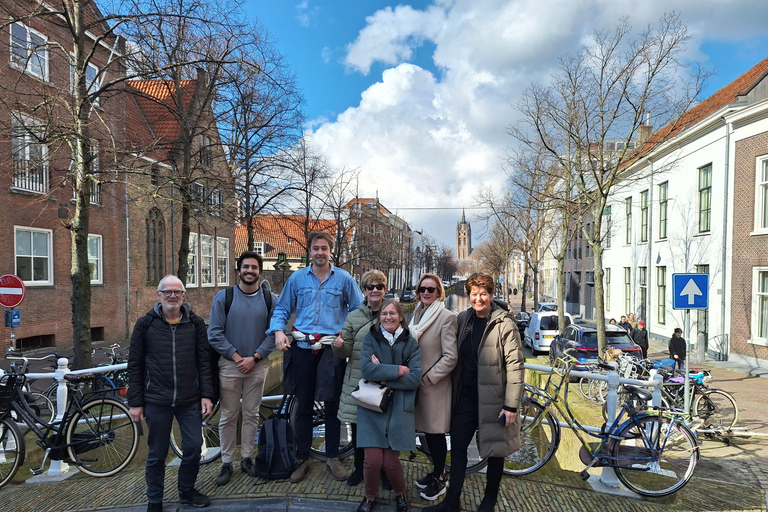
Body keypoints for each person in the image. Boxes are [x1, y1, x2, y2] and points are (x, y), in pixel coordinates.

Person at [269, 231, 364, 483]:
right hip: (302, 349)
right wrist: (279, 331)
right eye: (315, 248)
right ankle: (302, 457)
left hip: (332, 350)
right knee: (304, 405)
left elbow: (359, 310)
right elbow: (282, 308)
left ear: (330, 251)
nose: (320, 252)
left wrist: (347, 333)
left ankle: (332, 456)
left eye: (324, 248)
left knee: (332, 405)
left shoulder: (343, 279)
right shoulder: (298, 279)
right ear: (309, 251)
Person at [426, 273, 524, 512]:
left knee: (495, 451)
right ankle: (452, 501)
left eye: (483, 293)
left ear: (491, 295)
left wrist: (511, 405)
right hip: (466, 397)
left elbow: (515, 366)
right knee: (458, 447)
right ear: (468, 295)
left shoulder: (504, 325)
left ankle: (488, 502)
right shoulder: (464, 319)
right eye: (474, 293)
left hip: (495, 400)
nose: (478, 298)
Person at [128, 275, 214, 511]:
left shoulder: (195, 324)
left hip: (189, 399)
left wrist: (207, 395)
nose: (172, 296)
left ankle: (186, 490)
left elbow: (203, 361)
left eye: (177, 292)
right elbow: (135, 364)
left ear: (184, 295)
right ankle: (154, 499)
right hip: (157, 399)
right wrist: (136, 402)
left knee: (194, 447)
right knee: (156, 453)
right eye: (167, 292)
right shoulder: (145, 324)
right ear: (159, 295)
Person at [208, 251, 277, 486]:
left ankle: (247, 457)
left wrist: (255, 358)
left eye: (254, 267)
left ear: (260, 271)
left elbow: (275, 333)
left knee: (252, 413)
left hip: (257, 366)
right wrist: (238, 357)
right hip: (230, 365)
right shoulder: (224, 297)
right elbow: (214, 334)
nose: (250, 271)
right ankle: (227, 461)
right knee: (228, 415)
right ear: (239, 270)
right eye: (245, 267)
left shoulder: (270, 299)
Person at [356, 299, 421, 512]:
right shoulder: (370, 339)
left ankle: (400, 495)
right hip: (372, 407)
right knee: (372, 461)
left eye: (392, 313)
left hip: (399, 408)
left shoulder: (410, 343)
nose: (388, 317)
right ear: (379, 317)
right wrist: (399, 370)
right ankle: (369, 497)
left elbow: (415, 378)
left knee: (391, 462)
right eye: (384, 313)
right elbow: (366, 370)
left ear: (401, 317)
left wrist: (383, 375)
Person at [333, 270, 388, 486]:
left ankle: (383, 471)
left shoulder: (391, 313)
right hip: (358, 381)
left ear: (385, 290)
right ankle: (359, 469)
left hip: (384, 382)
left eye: (379, 287)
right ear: (363, 291)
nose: (374, 290)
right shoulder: (354, 317)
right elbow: (345, 350)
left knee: (381, 429)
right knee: (357, 428)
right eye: (370, 287)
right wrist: (337, 346)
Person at [410, 274, 458, 501]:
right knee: (426, 434)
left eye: (431, 289)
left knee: (436, 435)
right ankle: (436, 472)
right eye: (422, 289)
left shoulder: (446, 317)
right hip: (417, 385)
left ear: (439, 292)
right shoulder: (417, 314)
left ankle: (440, 478)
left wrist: (428, 378)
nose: (426, 293)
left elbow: (450, 356)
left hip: (433, 388)